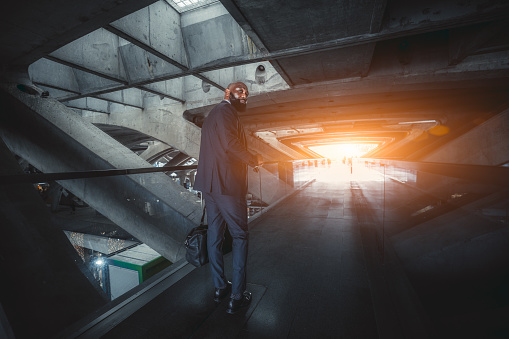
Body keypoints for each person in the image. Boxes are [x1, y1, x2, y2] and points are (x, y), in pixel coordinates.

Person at [193, 82, 263, 314]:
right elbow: (230, 144)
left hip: (211, 185)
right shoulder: (225, 112)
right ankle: (237, 297)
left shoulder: (212, 115)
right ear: (227, 92)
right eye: (241, 91)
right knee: (240, 236)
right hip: (226, 185)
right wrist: (254, 159)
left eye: (247, 94)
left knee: (215, 236)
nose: (245, 96)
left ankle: (220, 287)